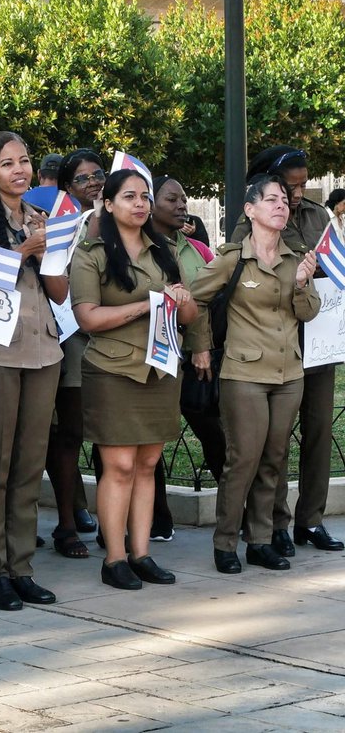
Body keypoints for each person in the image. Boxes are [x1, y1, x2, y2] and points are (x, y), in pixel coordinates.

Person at [69, 169, 197, 590]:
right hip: (113, 369)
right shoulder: (91, 253)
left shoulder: (163, 250)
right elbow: (87, 318)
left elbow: (189, 314)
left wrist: (182, 300)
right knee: (120, 465)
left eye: (144, 196)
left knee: (147, 464)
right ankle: (114, 558)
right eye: (129, 196)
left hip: (160, 367)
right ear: (108, 204)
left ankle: (141, 554)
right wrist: (148, 305)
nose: (140, 204)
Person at [0, 132, 67, 611]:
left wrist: (46, 253)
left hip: (44, 348)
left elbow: (60, 292)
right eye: (8, 164)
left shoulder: (41, 218)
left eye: (24, 161)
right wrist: (24, 250)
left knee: (29, 465)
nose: (19, 170)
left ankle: (22, 567)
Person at [192, 175, 320, 574]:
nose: (281, 205)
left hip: (288, 374)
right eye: (271, 200)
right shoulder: (233, 258)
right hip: (244, 373)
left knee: (273, 460)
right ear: (250, 210)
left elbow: (308, 312)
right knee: (243, 460)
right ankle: (226, 542)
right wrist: (200, 347)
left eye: (283, 200)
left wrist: (302, 283)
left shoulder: (296, 259)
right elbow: (195, 299)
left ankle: (261, 542)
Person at [230, 146, 342, 554]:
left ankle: (311, 520)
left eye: (301, 185)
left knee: (319, 431)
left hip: (320, 337)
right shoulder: (251, 218)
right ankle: (274, 521)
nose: (296, 194)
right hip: (275, 341)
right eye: (289, 186)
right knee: (273, 440)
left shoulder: (316, 215)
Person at [150, 175, 220, 537]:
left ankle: (237, 512)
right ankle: (157, 519)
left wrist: (201, 346)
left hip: (194, 357)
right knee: (150, 443)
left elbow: (203, 302)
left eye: (183, 199)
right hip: (152, 357)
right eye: (171, 199)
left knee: (213, 432)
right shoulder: (139, 246)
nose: (181, 206)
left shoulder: (198, 250)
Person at [47, 148, 108, 548]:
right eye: (82, 179)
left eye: (97, 174)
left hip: (114, 337)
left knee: (110, 438)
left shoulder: (122, 219)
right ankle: (67, 523)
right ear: (68, 187)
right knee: (69, 434)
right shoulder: (61, 225)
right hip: (72, 337)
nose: (93, 183)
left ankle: (113, 525)